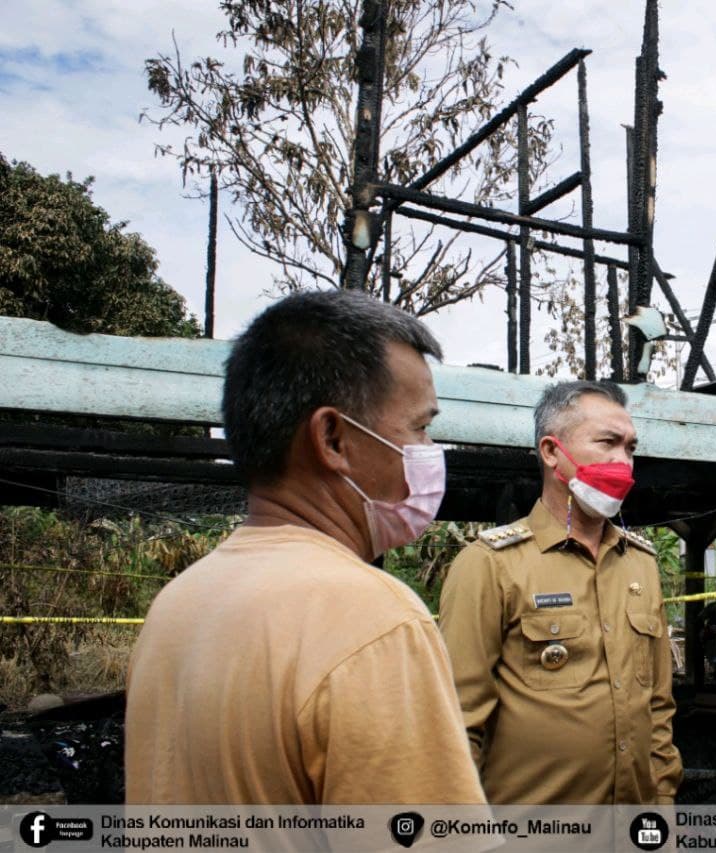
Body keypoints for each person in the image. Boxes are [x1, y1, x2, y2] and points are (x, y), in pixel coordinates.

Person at [125, 290, 485, 805]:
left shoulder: (178, 602)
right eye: (421, 427)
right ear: (334, 438)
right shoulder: (372, 619)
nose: (429, 452)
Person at [439, 380, 682, 804]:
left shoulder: (640, 565)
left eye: (629, 448)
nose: (622, 462)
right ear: (552, 452)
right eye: (607, 443)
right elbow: (456, 722)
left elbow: (658, 709)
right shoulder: (492, 564)